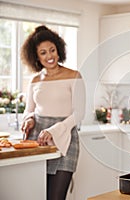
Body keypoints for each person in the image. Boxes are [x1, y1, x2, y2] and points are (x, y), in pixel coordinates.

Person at [20, 25, 86, 200]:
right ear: (36, 56)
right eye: (43, 53)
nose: (49, 56)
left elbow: (79, 113)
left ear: (59, 50)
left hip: (65, 138)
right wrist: (29, 120)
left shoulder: (74, 76)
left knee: (56, 197)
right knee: (37, 195)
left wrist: (54, 130)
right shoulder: (34, 80)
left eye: (52, 50)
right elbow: (30, 110)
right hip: (39, 139)